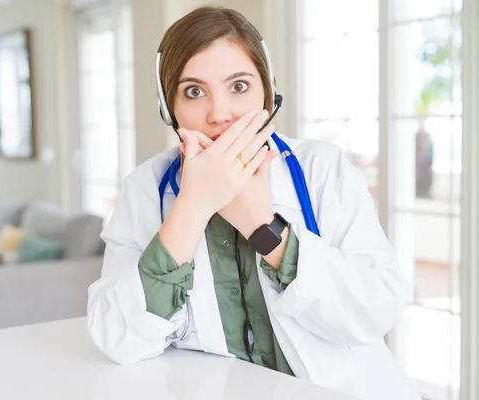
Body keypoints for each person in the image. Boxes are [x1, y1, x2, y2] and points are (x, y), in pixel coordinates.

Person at [87, 6, 421, 400]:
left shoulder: (321, 170)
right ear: (168, 108)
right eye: (194, 91)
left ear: (268, 90)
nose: (220, 114)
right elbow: (117, 337)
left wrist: (263, 228)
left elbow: (377, 308)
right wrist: (194, 205)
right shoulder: (146, 188)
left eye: (239, 86)